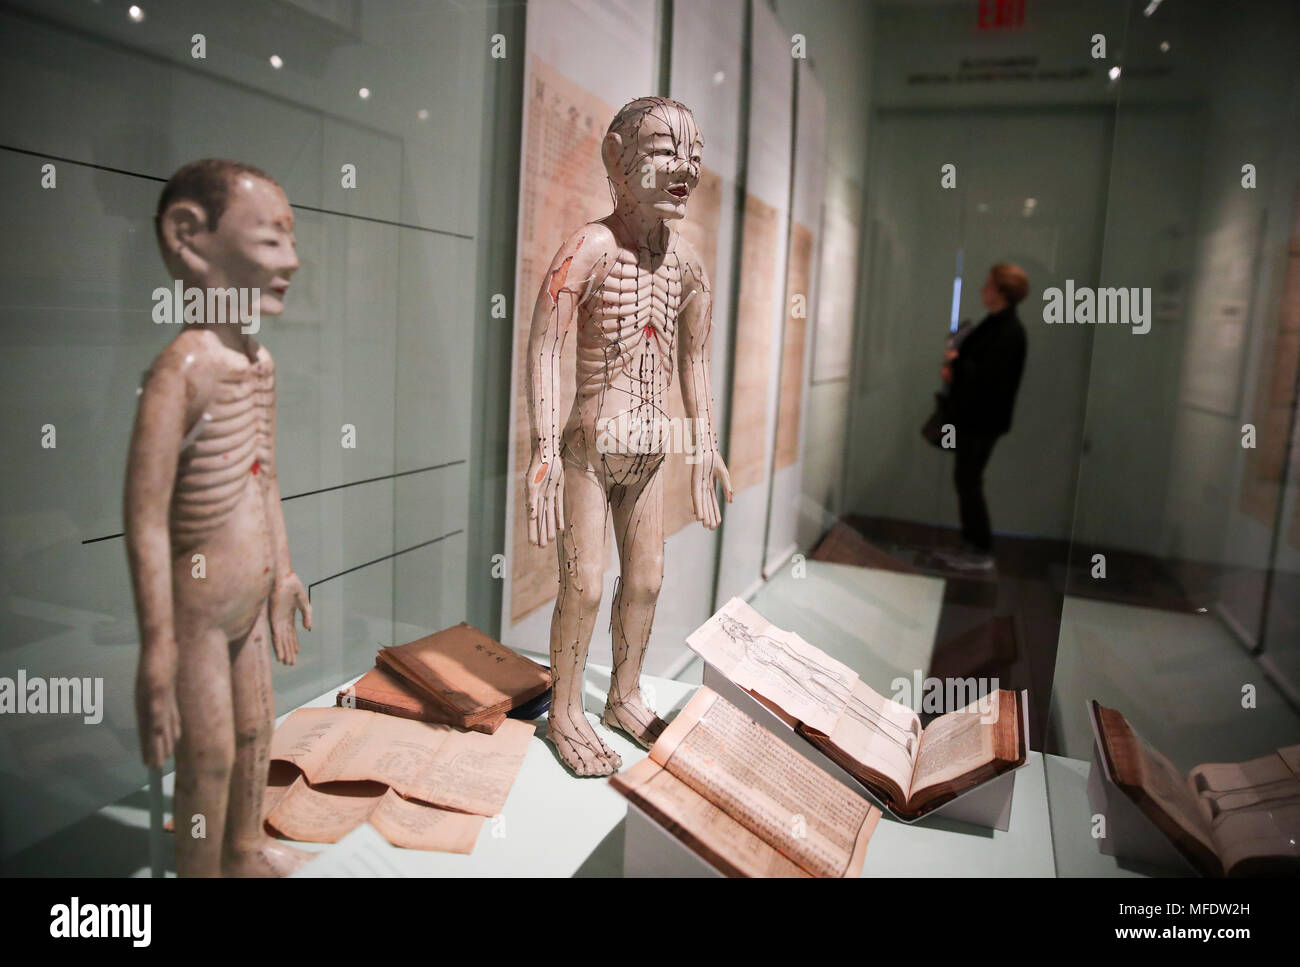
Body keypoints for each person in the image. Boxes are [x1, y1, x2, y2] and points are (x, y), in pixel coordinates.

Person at [937, 263, 1029, 571]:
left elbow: (988, 378)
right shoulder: (996, 325)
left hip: (981, 420)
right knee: (966, 479)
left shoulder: (1008, 331)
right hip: (977, 419)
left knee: (969, 480)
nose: (982, 289)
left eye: (988, 285)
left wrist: (956, 363)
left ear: (1001, 292)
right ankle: (972, 544)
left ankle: (979, 549)